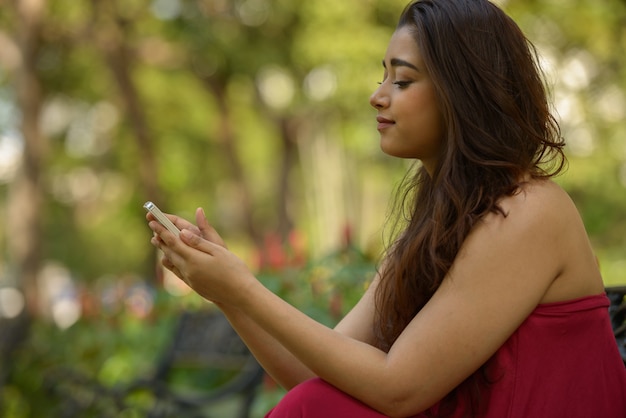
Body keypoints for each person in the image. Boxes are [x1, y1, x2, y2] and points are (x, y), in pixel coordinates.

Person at [147, 0, 626, 416]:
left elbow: (398, 388)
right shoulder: (439, 222)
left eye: (402, 81)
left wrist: (246, 290)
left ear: (463, 93)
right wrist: (226, 290)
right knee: (313, 403)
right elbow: (312, 372)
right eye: (384, 77)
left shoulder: (530, 211)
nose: (377, 96)